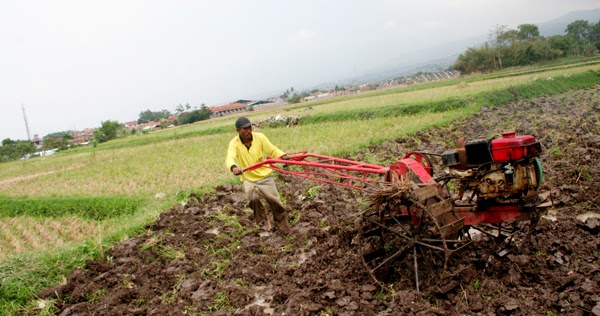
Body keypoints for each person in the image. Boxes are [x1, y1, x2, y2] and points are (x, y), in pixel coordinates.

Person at [225, 117, 291, 233]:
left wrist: (282, 156)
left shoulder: (260, 137)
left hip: (265, 176)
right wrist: (233, 167)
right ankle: (264, 226)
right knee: (253, 198)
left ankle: (283, 228)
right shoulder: (234, 143)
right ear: (238, 131)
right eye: (245, 129)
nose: (248, 130)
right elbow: (230, 157)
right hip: (249, 178)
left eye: (250, 127)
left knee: (275, 203)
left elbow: (272, 150)